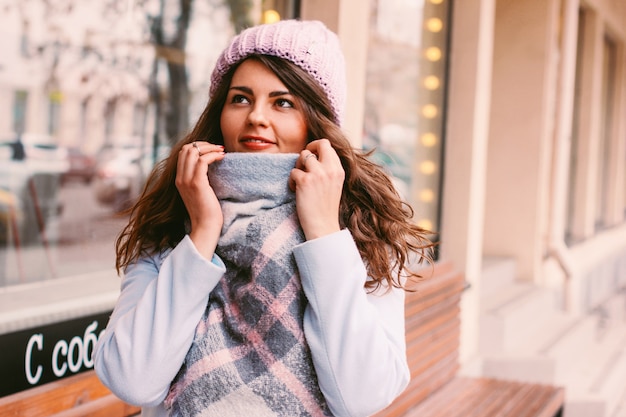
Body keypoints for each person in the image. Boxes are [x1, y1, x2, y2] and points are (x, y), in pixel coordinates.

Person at [94, 19, 434, 417]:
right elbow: (132, 381)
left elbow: (362, 396)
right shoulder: (172, 224)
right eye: (240, 98)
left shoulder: (363, 229)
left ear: (317, 120)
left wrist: (324, 233)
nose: (256, 116)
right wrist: (203, 232)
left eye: (283, 102)